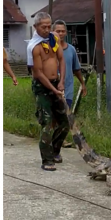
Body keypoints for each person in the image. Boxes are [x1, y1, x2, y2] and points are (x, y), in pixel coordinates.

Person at [27, 12, 69, 171]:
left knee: (64, 122)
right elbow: (37, 72)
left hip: (55, 83)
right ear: (35, 27)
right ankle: (47, 160)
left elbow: (61, 59)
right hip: (42, 87)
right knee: (47, 123)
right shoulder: (34, 46)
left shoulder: (54, 39)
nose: (46, 29)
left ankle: (55, 151)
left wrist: (61, 81)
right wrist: (53, 89)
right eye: (43, 27)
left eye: (48, 26)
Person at [52, 19, 87, 148]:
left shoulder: (71, 50)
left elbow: (76, 69)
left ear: (66, 33)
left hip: (68, 88)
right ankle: (54, 139)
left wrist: (82, 84)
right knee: (55, 116)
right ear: (53, 32)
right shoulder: (49, 49)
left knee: (66, 116)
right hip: (53, 87)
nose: (60, 34)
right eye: (58, 31)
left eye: (62, 31)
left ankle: (61, 139)